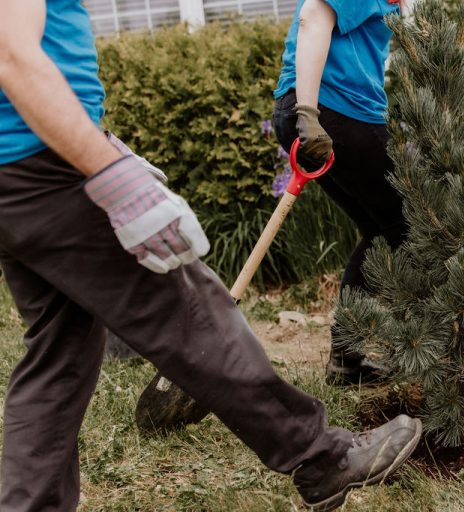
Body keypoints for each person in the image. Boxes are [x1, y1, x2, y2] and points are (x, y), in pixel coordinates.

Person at [0, 1, 421, 510]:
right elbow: (12, 54)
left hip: (17, 171)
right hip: (46, 164)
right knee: (191, 312)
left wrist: (105, 147)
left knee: (58, 350)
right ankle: (321, 458)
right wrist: (103, 166)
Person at [273, 0, 411, 385]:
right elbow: (313, 16)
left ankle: (346, 363)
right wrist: (309, 115)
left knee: (383, 230)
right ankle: (430, 350)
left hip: (322, 109)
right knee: (412, 224)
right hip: (334, 110)